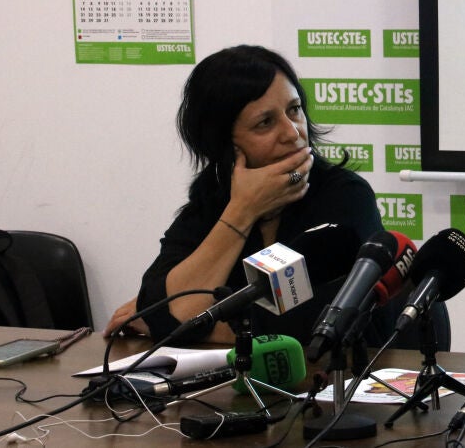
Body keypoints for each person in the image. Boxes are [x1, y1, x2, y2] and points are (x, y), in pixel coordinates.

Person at [103, 45, 429, 349]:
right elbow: (162, 306)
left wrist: (195, 326)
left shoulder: (344, 197)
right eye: (265, 123)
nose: (292, 131)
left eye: (294, 110)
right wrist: (242, 212)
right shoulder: (212, 206)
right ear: (224, 143)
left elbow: (315, 323)